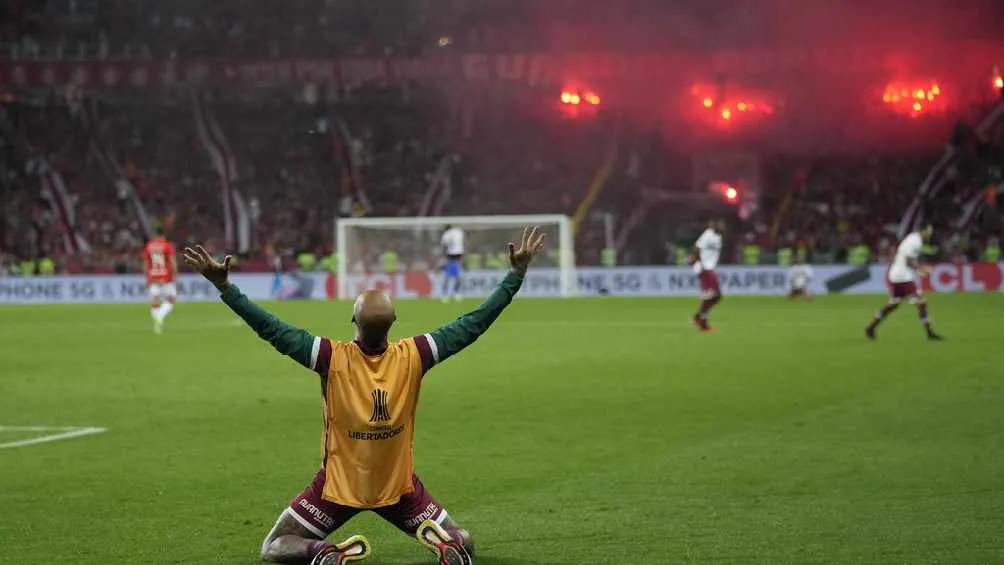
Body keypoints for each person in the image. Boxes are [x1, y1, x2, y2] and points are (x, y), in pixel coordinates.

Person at [182, 226, 547, 565]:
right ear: (393, 323)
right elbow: (473, 324)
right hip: (400, 490)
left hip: (337, 488)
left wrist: (226, 287)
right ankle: (445, 541)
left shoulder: (330, 357)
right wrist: (514, 277)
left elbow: (272, 329)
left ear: (353, 322)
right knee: (463, 540)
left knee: (274, 547)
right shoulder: (414, 355)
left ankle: (321, 550)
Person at [865, 224, 944, 341]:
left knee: (894, 304)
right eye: (929, 232)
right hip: (903, 276)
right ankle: (930, 334)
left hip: (896, 274)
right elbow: (908, 260)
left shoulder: (913, 238)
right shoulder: (916, 242)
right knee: (921, 302)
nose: (930, 235)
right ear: (923, 231)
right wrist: (921, 270)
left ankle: (871, 327)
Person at [692, 219, 725, 332]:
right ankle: (703, 323)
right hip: (704, 268)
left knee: (715, 296)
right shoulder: (708, 234)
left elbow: (714, 254)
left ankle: (699, 317)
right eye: (719, 223)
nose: (722, 225)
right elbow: (696, 247)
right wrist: (699, 264)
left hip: (710, 268)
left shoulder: (718, 237)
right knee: (713, 295)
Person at [143, 228, 178, 334]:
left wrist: (146, 277)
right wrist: (175, 274)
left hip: (153, 276)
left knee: (155, 302)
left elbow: (145, 263)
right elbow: (172, 262)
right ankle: (160, 316)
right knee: (171, 299)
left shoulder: (149, 246)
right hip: (166, 276)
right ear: (163, 235)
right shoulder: (167, 246)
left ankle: (157, 322)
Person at [439, 224, 465, 302]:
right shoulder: (459, 232)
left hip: (450, 257)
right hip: (458, 257)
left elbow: (444, 246)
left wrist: (443, 257)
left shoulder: (446, 234)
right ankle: (455, 293)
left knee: (448, 277)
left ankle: (445, 294)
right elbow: (462, 242)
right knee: (458, 278)